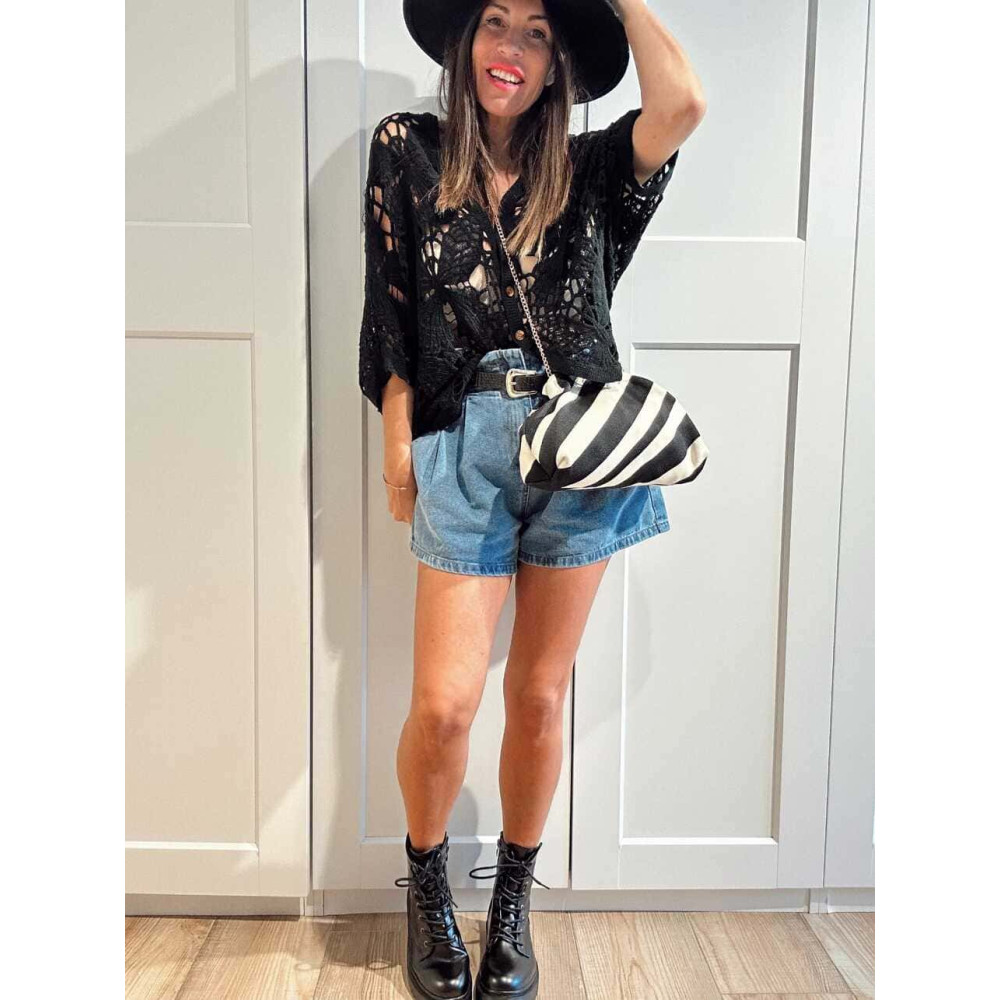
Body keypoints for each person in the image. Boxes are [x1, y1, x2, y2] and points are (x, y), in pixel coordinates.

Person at [358, 2, 706, 997]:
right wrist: (397, 441)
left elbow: (683, 102)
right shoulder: (408, 148)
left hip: (578, 448)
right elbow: (390, 303)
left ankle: (512, 898)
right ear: (465, 37)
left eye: (537, 33)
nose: (509, 50)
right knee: (444, 705)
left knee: (540, 694)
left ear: (559, 63)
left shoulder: (595, 172)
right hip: (461, 439)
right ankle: (429, 887)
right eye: (495, 23)